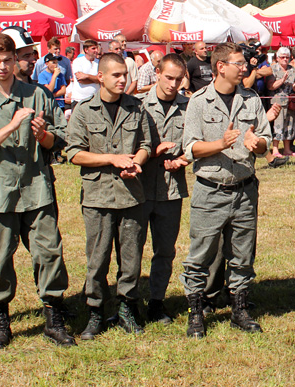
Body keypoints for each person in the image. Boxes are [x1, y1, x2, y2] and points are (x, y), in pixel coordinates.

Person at [0, 32, 74, 349]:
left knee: (49, 253)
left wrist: (44, 137)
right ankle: (0, 322)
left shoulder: (37, 95)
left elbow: (60, 140)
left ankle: (54, 319)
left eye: (8, 60)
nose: (2, 67)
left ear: (15, 60)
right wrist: (11, 126)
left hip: (37, 188)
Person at [179, 42, 271, 338]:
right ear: (221, 67)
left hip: (244, 189)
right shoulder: (199, 101)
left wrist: (257, 144)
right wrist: (220, 144)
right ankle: (196, 311)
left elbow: (266, 141)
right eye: (239, 63)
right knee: (201, 253)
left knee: (243, 254)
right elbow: (190, 146)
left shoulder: (252, 99)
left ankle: (239, 308)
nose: (245, 68)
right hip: (211, 189)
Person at [66, 52, 152, 339]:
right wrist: (112, 159)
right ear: (100, 77)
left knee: (131, 258)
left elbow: (146, 144)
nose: (122, 80)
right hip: (98, 197)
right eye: (115, 75)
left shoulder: (136, 108)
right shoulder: (84, 110)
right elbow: (74, 153)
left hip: (131, 195)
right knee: (98, 259)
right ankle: (96, 311)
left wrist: (136, 162)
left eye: (124, 75)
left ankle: (127, 308)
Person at [140, 53, 190, 324]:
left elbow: (196, 144)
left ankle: (157, 302)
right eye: (168, 77)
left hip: (171, 190)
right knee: (132, 249)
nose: (173, 84)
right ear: (157, 73)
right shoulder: (138, 105)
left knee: (165, 250)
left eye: (178, 79)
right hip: (138, 188)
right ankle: (129, 302)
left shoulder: (189, 106)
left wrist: (182, 160)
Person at [268, 47, 295, 158]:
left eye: (287, 57)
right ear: (277, 58)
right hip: (278, 101)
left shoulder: (292, 70)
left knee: (290, 125)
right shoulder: (273, 69)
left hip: (290, 101)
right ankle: (275, 149)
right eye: (282, 57)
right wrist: (282, 80)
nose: (285, 59)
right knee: (278, 125)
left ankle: (287, 149)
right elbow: (271, 86)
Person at [70, 39, 101, 107]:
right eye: (93, 48)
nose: (96, 50)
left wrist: (87, 76)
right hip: (79, 100)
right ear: (86, 50)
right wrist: (96, 79)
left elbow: (102, 79)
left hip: (95, 100)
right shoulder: (78, 61)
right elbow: (80, 80)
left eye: (96, 48)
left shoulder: (99, 62)